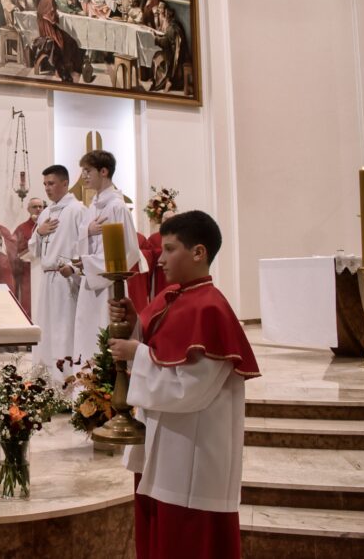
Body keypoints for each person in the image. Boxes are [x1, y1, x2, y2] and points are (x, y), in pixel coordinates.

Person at [107, 211, 260, 559]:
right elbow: (160, 351)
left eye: (170, 249)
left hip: (191, 454)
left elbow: (190, 391)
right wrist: (134, 323)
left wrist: (136, 353)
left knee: (187, 543)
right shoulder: (170, 297)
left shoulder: (210, 309)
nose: (160, 259)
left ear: (198, 252)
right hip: (162, 447)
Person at [72, 151, 142, 364]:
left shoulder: (118, 207)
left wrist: (93, 265)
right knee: (86, 332)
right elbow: (81, 241)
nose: (83, 176)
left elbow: (130, 250)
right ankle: (84, 380)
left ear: (104, 171)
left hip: (109, 284)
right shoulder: (92, 206)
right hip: (90, 282)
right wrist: (87, 232)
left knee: (104, 333)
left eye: (88, 171)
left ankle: (105, 381)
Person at [28, 165, 85, 383]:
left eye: (51, 183)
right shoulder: (45, 213)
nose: (47, 188)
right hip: (47, 279)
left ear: (65, 183)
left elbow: (86, 245)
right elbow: (33, 249)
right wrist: (39, 232)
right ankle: (45, 382)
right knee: (46, 328)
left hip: (65, 279)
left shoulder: (77, 210)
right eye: (45, 184)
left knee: (64, 328)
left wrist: (74, 267)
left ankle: (66, 380)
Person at [36, 0, 84, 83]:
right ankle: (67, 71)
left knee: (69, 39)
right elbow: (51, 17)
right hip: (48, 29)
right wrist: (56, 16)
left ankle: (72, 68)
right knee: (69, 41)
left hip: (47, 27)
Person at [12, 197, 45, 318]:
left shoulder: (48, 225)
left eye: (40, 206)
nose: (38, 209)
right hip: (27, 272)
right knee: (29, 301)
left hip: (45, 270)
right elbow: (13, 250)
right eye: (34, 207)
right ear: (28, 209)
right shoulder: (21, 228)